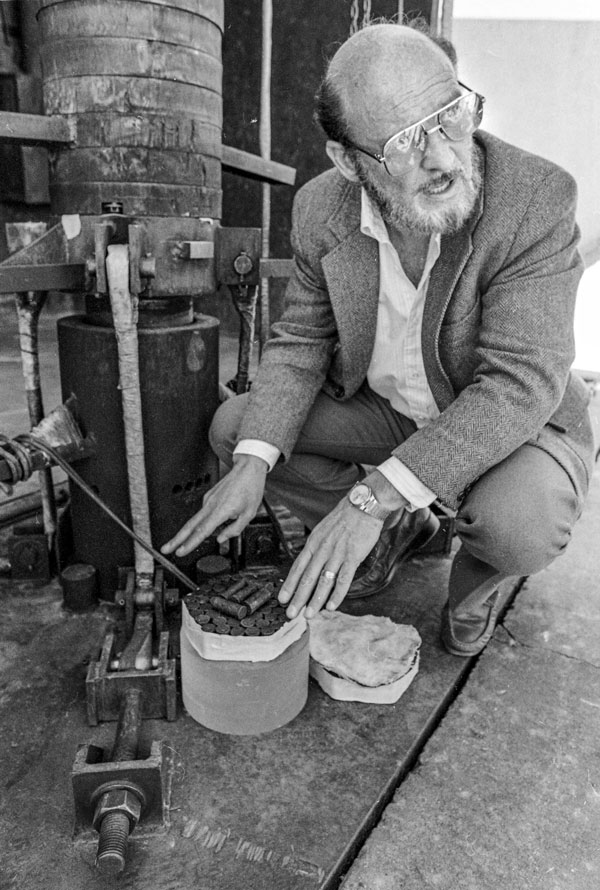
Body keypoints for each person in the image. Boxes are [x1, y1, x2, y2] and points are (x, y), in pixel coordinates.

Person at [163, 22, 595, 656]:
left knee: (519, 526)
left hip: (515, 425)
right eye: (404, 142)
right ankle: (403, 533)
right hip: (395, 413)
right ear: (348, 161)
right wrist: (253, 465)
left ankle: (474, 591)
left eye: (451, 115)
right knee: (239, 430)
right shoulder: (320, 209)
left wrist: (371, 498)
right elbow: (300, 341)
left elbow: (519, 385)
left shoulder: (535, 199)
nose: (446, 156)